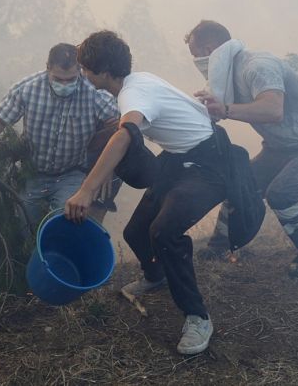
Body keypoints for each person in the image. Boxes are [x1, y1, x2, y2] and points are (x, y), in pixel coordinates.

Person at [65, 30, 228, 356]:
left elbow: (125, 135)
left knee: (164, 232)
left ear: (102, 71)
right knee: (135, 231)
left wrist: (86, 190)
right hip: (178, 157)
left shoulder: (132, 94)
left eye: (85, 69)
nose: (83, 74)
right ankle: (156, 275)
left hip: (209, 163)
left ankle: (198, 317)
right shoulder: (138, 82)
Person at [185, 20, 298, 278]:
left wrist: (224, 110)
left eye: (195, 55)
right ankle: (220, 247)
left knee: (282, 194)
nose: (195, 62)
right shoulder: (227, 76)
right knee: (239, 184)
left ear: (209, 49)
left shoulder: (256, 66)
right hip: (280, 147)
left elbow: (272, 110)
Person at [0, 43, 120, 225]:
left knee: (65, 220)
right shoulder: (27, 88)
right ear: (48, 69)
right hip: (32, 173)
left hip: (71, 173)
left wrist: (106, 164)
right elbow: (0, 119)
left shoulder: (93, 92)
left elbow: (119, 126)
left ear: (80, 71)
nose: (65, 85)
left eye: (71, 79)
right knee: (24, 222)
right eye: (58, 79)